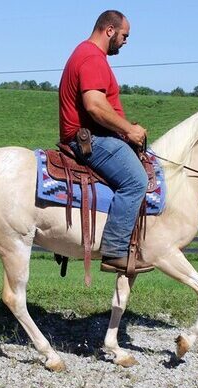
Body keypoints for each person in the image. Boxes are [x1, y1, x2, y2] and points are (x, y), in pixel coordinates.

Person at [58, 10, 153, 273]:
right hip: (90, 139)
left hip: (92, 135)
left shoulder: (85, 53)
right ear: (109, 30)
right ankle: (115, 251)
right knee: (136, 181)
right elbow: (95, 106)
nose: (126, 41)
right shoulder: (91, 57)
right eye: (124, 35)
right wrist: (129, 130)